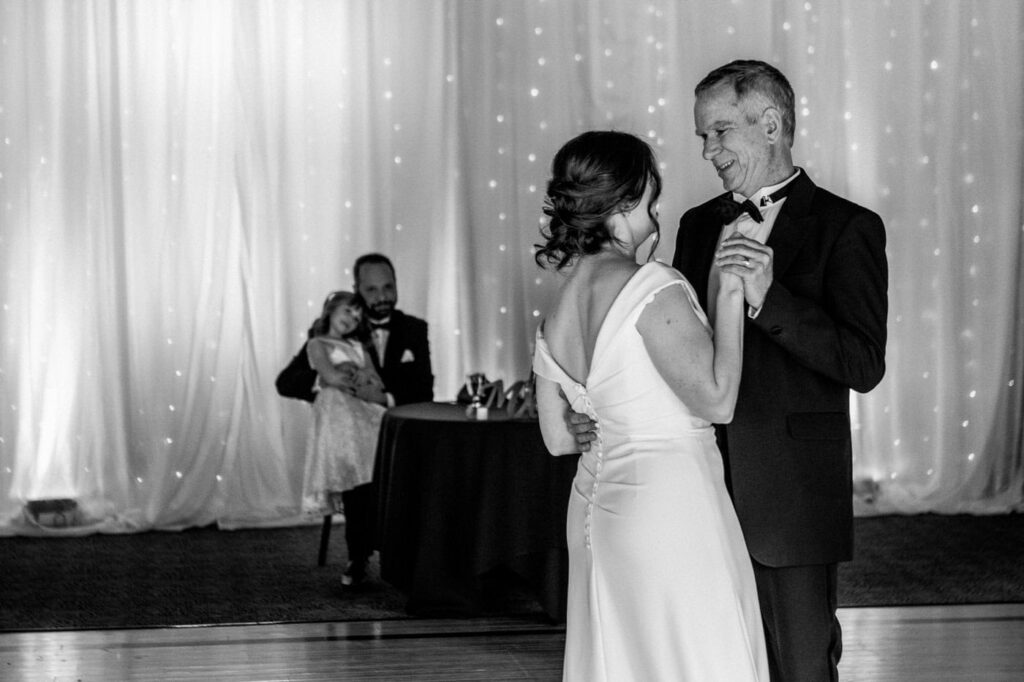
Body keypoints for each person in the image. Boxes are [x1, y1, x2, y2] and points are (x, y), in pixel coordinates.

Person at [674, 60, 887, 680]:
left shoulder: (848, 228)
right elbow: (678, 345)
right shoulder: (696, 226)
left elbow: (863, 363)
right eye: (703, 137)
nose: (708, 151)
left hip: (792, 495)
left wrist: (771, 300)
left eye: (719, 131)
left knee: (799, 667)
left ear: (770, 124)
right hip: (698, 484)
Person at [532, 130, 769, 681]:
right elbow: (718, 400)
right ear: (626, 198)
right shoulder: (652, 286)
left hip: (595, 512)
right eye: (650, 194)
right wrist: (729, 292)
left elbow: (557, 439)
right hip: (670, 509)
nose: (655, 206)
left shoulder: (558, 309)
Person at [353, 253, 434, 407]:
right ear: (356, 290)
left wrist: (385, 399)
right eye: (372, 290)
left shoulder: (414, 328)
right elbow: (301, 382)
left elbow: (425, 391)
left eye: (388, 287)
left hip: (400, 421)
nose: (382, 297)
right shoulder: (343, 326)